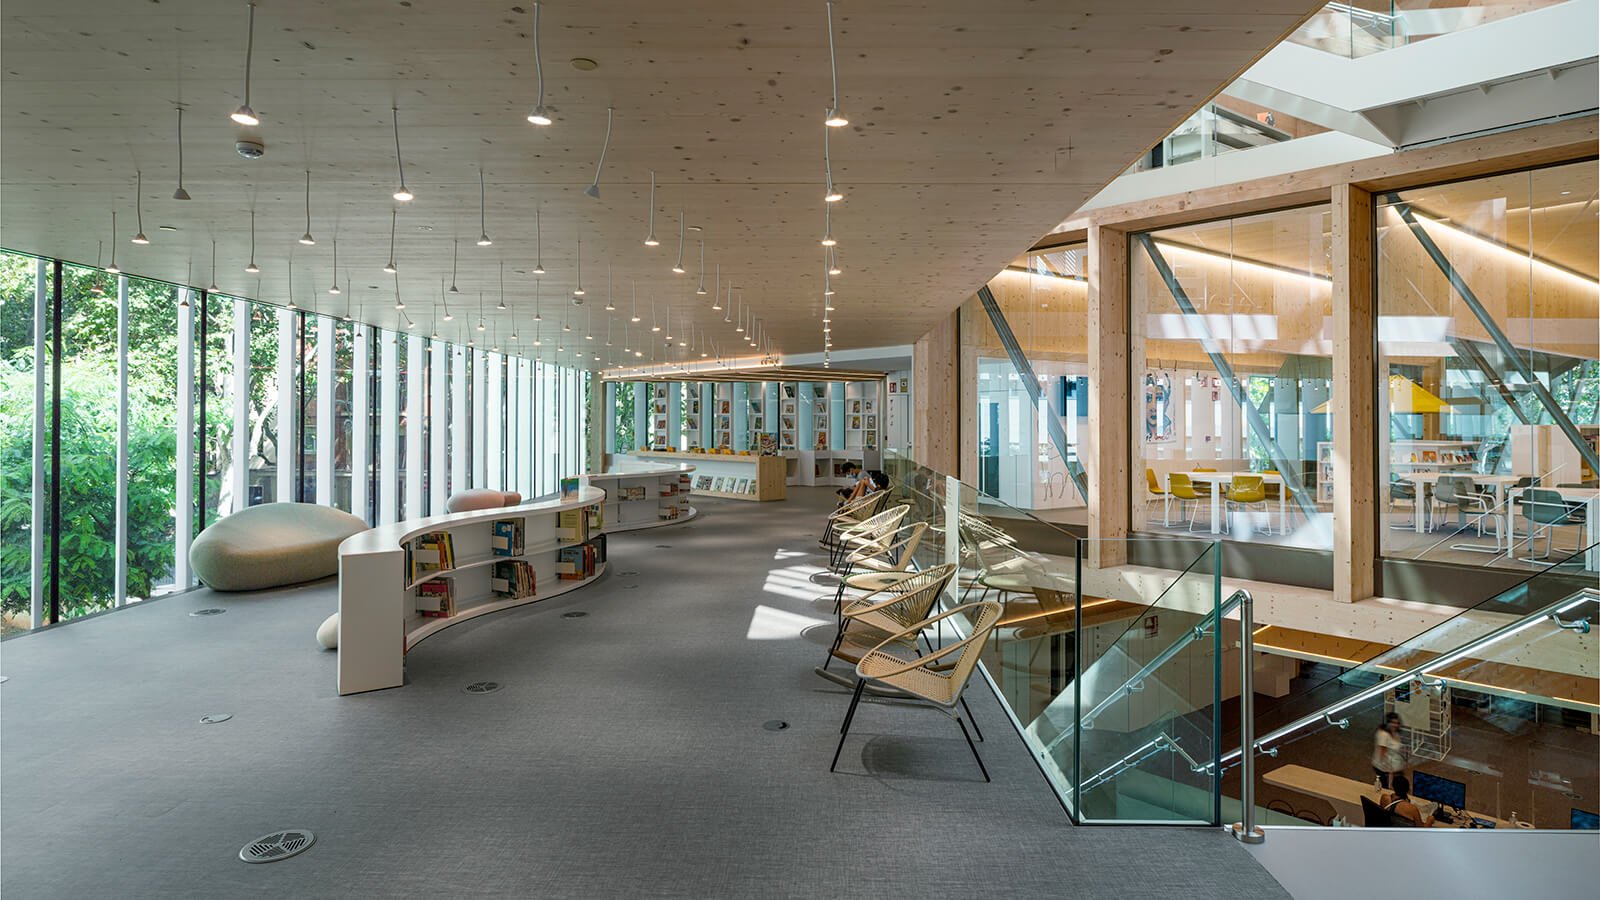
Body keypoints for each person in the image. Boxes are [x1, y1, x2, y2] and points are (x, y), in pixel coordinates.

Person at [1371, 712, 1406, 789]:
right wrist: (1389, 770)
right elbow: (1382, 753)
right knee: (1386, 786)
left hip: (1395, 766)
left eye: (1397, 723)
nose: (1395, 725)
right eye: (1392, 723)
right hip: (1385, 768)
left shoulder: (1395, 732)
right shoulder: (1383, 734)